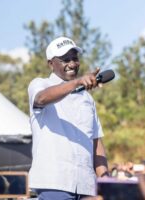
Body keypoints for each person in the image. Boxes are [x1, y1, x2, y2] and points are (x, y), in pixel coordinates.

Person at [28, 36, 109, 199]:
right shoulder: (40, 84)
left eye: (74, 58)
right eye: (65, 59)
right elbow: (41, 99)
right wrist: (77, 82)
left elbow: (95, 141)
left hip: (86, 185)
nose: (72, 64)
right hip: (55, 182)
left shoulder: (87, 98)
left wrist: (105, 179)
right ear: (51, 64)